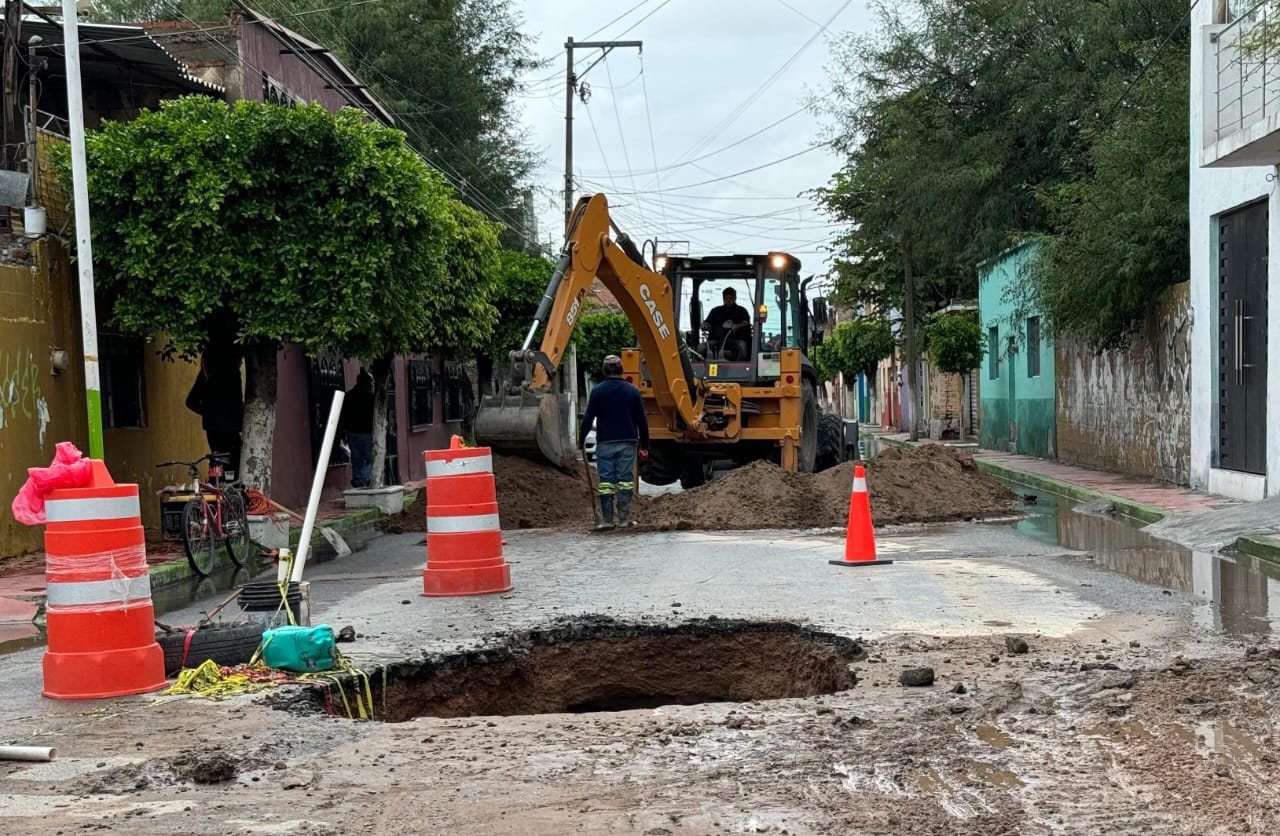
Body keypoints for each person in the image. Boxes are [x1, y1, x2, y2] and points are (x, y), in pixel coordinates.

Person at [579, 355, 650, 530]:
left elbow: (588, 419)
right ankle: (624, 519)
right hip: (628, 442)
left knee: (606, 482)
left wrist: (581, 440)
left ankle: (608, 520)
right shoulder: (632, 391)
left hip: (605, 443)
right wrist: (645, 446)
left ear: (604, 371)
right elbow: (642, 421)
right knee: (625, 481)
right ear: (621, 370)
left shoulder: (598, 391)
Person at [185, 342, 244, 480]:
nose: (241, 362)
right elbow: (236, 402)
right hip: (230, 428)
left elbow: (190, 402)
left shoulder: (206, 374)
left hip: (213, 428)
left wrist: (210, 414)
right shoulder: (233, 373)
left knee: (218, 461)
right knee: (234, 465)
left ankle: (216, 489)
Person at [341, 369, 376, 488]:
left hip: (352, 433)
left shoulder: (348, 396)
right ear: (365, 383)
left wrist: (344, 432)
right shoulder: (370, 397)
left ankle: (358, 479)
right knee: (368, 458)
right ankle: (364, 480)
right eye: (371, 383)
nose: (372, 385)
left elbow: (343, 415)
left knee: (356, 459)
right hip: (366, 433)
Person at [703, 287, 752, 360]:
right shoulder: (716, 311)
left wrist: (738, 326)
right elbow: (707, 323)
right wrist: (705, 325)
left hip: (734, 341)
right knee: (701, 348)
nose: (728, 301)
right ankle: (702, 368)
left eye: (730, 298)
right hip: (717, 341)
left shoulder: (741, 311)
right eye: (726, 298)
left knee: (742, 345)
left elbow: (746, 324)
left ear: (735, 298)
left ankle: (739, 368)